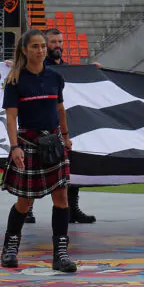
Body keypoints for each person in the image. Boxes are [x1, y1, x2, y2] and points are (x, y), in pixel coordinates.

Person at [0, 29, 76, 273]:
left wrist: (65, 136)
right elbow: (11, 118)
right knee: (25, 201)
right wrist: (14, 146)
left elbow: (60, 109)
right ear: (24, 50)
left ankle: (60, 254)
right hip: (28, 143)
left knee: (61, 197)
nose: (41, 50)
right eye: (35, 47)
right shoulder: (15, 80)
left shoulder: (55, 77)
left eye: (43, 46)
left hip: (53, 142)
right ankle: (10, 247)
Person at [45, 27, 96, 224]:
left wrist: (91, 72)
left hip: (69, 125)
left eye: (60, 42)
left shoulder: (68, 69)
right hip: (46, 124)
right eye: (53, 42)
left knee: (70, 166)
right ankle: (28, 210)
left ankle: (72, 209)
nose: (57, 46)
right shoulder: (39, 68)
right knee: (40, 167)